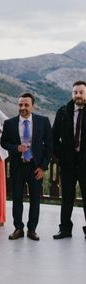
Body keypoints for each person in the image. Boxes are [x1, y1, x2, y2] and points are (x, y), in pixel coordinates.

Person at [1, 94, 52, 241]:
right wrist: (16, 148)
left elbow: (49, 146)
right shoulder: (9, 123)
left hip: (36, 167)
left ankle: (32, 229)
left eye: (26, 105)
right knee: (16, 198)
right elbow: (4, 143)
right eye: (20, 105)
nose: (22, 108)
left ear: (32, 106)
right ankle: (18, 228)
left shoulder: (43, 121)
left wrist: (43, 167)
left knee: (35, 199)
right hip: (18, 167)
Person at [52, 80, 86, 239]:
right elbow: (53, 138)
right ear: (72, 94)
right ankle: (65, 229)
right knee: (67, 197)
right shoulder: (63, 112)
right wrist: (61, 155)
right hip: (68, 164)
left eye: (81, 92)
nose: (78, 95)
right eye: (75, 92)